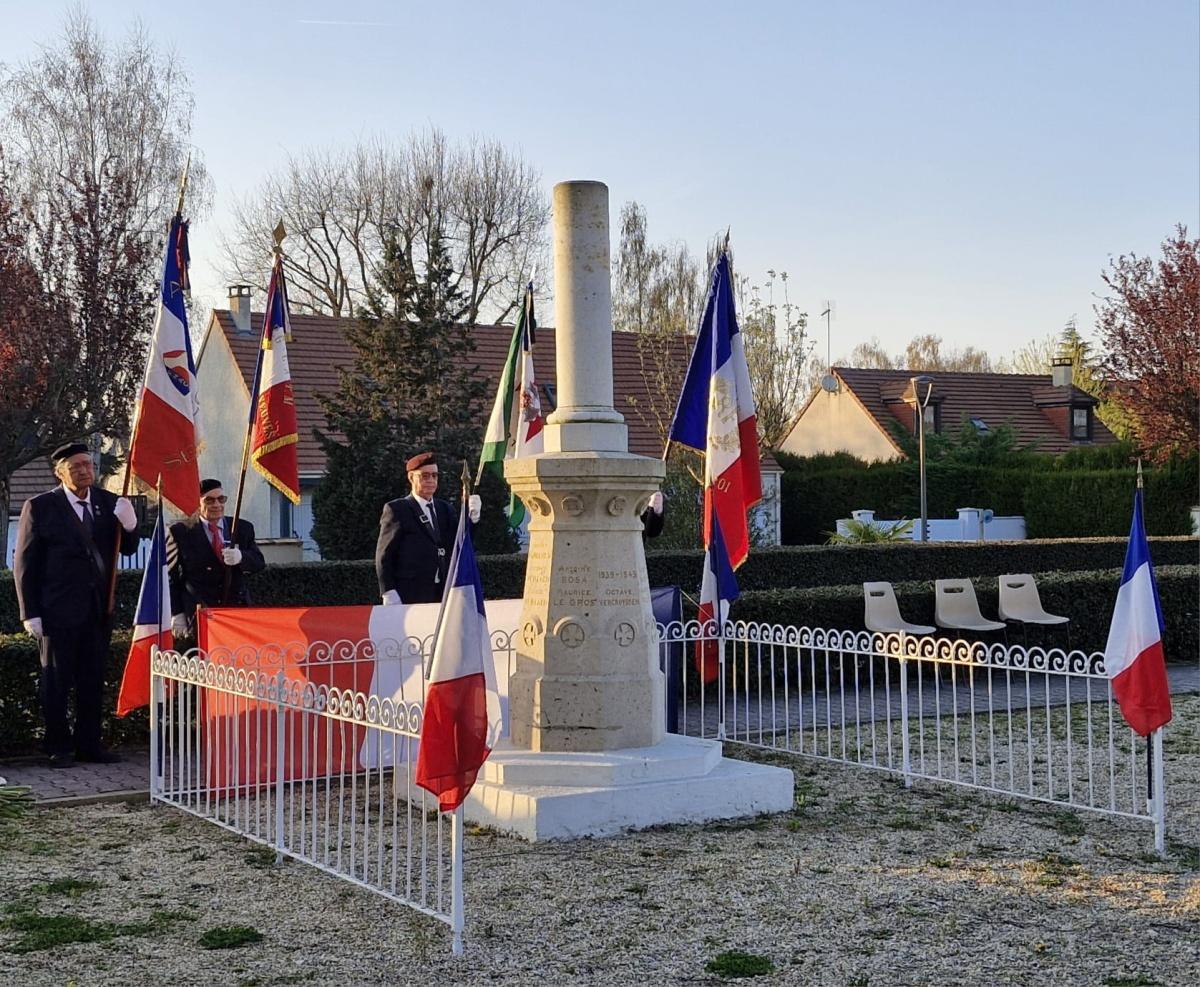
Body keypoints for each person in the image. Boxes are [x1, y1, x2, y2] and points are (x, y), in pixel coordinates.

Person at [13, 442, 141, 767]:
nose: (84, 471)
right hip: (56, 611)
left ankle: (89, 745)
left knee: (92, 679)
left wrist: (130, 525)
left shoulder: (107, 502)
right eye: (76, 467)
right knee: (56, 680)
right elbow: (25, 563)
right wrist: (30, 613)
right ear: (60, 473)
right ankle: (58, 746)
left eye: (88, 465)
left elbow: (125, 549)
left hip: (97, 610)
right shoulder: (40, 506)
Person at [375, 451, 480, 605]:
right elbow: (384, 555)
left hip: (442, 589)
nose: (431, 480)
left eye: (434, 475)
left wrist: (472, 518)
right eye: (424, 476)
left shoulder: (444, 509)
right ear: (411, 477)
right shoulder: (398, 509)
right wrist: (388, 591)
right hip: (410, 591)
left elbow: (459, 543)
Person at [166, 478, 266, 637]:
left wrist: (242, 557)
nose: (217, 505)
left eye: (221, 499)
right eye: (210, 500)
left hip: (236, 612)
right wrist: (176, 612)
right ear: (198, 502)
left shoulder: (242, 528)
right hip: (200, 614)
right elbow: (170, 577)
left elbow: (259, 562)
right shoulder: (180, 532)